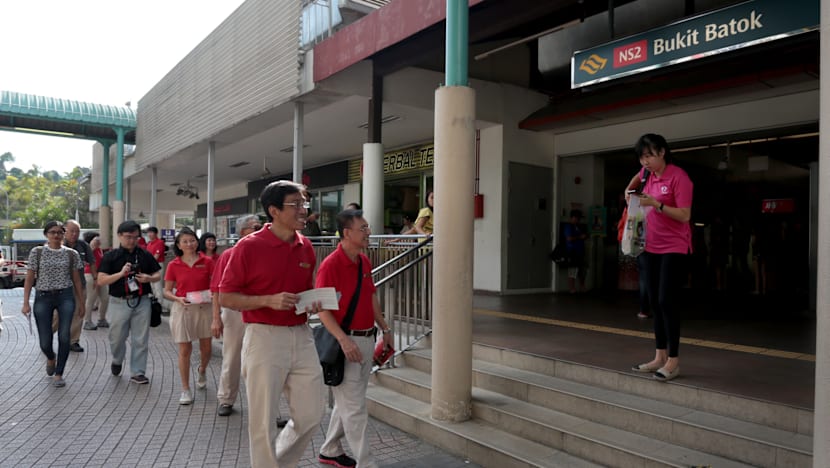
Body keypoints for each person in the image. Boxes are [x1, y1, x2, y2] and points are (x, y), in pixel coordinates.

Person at [218, 180, 323, 468]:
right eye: (296, 204)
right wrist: (268, 300)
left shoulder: (305, 246)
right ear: (274, 211)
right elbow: (226, 296)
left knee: (312, 413)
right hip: (263, 337)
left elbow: (304, 289)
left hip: (302, 335)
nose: (303, 210)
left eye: (304, 203)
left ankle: (278, 463)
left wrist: (311, 300)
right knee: (262, 422)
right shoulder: (248, 247)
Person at [316, 209, 393, 468]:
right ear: (347, 233)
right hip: (345, 345)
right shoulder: (330, 265)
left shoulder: (363, 261)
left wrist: (385, 328)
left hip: (366, 339)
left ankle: (329, 450)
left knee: (348, 402)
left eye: (367, 227)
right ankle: (366, 462)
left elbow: (370, 296)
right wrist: (343, 340)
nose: (369, 232)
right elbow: (323, 310)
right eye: (364, 228)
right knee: (354, 407)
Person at [626, 134, 693, 382]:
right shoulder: (646, 174)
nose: (645, 161)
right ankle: (659, 356)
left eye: (649, 156)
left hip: (674, 247)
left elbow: (685, 215)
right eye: (641, 157)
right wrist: (628, 193)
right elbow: (632, 185)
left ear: (662, 152)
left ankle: (673, 361)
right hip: (649, 246)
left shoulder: (679, 177)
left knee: (667, 300)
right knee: (654, 301)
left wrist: (656, 204)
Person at [97, 220, 162, 384]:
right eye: (128, 237)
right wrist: (120, 274)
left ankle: (138, 372)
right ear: (119, 236)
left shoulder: (144, 254)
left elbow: (158, 274)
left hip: (142, 301)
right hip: (118, 301)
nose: (132, 240)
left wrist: (148, 278)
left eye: (135, 237)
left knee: (140, 338)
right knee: (117, 338)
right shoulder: (111, 256)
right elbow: (101, 280)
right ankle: (117, 359)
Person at [21, 221, 85, 387]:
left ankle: (59, 373)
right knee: (45, 341)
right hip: (43, 296)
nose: (56, 235)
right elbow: (29, 278)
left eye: (59, 232)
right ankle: (51, 357)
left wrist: (82, 303)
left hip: (65, 296)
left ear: (63, 234)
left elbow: (77, 280)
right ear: (46, 234)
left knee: (64, 336)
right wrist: (25, 302)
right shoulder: (37, 252)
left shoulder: (71, 254)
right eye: (52, 232)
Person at [212, 214, 260, 416]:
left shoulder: (267, 253)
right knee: (232, 356)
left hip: (260, 310)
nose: (259, 230)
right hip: (234, 312)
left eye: (260, 226)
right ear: (242, 232)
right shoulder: (229, 254)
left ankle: (267, 407)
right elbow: (216, 289)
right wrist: (216, 319)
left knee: (262, 360)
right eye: (255, 227)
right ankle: (226, 399)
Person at [164, 227, 215, 405]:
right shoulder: (174, 265)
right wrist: (177, 298)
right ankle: (185, 389)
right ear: (178, 245)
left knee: (206, 348)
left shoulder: (207, 261)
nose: (189, 244)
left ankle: (202, 369)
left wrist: (212, 295)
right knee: (185, 350)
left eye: (192, 240)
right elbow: (166, 291)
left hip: (205, 308)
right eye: (185, 241)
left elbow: (216, 284)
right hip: (183, 308)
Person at [59, 219, 96, 352]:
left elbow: (92, 262)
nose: (75, 234)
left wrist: (95, 277)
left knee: (78, 312)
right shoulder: (58, 244)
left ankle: (73, 341)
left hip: (79, 285)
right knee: (57, 315)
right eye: (72, 231)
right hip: (60, 287)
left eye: (77, 231)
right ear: (65, 231)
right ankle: (47, 336)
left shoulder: (83, 245)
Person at [82, 232, 110, 329]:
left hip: (100, 275)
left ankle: (101, 319)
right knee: (91, 298)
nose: (98, 240)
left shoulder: (99, 250)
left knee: (105, 298)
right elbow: (87, 256)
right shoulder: (89, 248)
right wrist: (92, 245)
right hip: (90, 274)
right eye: (96, 238)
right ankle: (87, 321)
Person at [564, 209, 587, 294]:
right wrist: (580, 237)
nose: (578, 220)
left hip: (580, 251)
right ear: (573, 217)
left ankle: (582, 286)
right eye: (577, 218)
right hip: (572, 251)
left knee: (582, 270)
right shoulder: (568, 226)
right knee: (572, 270)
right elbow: (569, 239)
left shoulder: (578, 226)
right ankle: (572, 288)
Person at [145, 227, 167, 301]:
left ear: (156, 233)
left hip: (158, 265)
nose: (149, 234)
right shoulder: (149, 244)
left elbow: (156, 256)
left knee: (158, 285)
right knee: (152, 286)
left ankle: (160, 303)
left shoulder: (160, 242)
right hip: (150, 266)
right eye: (148, 233)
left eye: (151, 232)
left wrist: (147, 264)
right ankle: (154, 303)